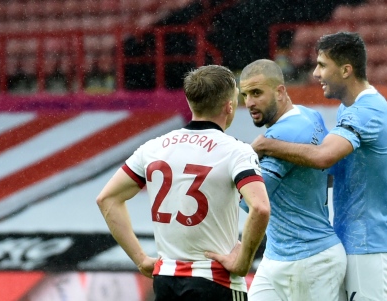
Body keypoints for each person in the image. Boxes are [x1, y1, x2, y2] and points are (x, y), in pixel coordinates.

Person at [96, 64, 270, 301]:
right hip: (215, 280)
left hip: (166, 280)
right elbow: (260, 208)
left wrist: (140, 259)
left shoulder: (153, 147)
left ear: (191, 103)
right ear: (229, 106)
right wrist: (242, 262)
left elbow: (107, 199)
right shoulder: (237, 151)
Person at [251, 32, 387, 301]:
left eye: (322, 65)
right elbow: (330, 173)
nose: (315, 73)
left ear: (346, 70)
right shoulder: (353, 108)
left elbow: (323, 158)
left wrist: (266, 146)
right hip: (359, 239)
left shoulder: (365, 112)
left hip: (370, 243)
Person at [209, 59, 346, 300]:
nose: (249, 102)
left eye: (257, 93)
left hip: (307, 261)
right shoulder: (309, 114)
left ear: (280, 91)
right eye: (245, 95)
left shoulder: (279, 136)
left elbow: (247, 201)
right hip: (278, 256)